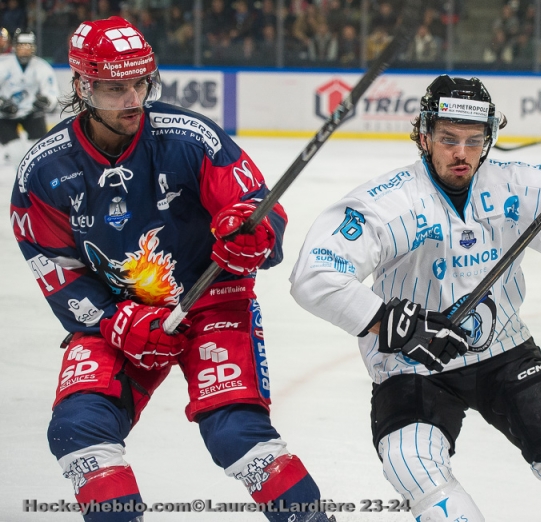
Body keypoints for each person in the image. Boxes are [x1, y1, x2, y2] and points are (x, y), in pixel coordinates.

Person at [289, 74, 541, 521]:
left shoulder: (515, 184)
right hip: (414, 363)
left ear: (489, 139)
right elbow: (315, 274)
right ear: (424, 136)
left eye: (474, 140)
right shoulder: (389, 202)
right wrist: (398, 325)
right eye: (448, 139)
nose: (462, 153)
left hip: (505, 351)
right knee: (413, 467)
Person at [10, 17, 333, 522]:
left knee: (236, 433)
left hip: (211, 300)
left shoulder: (190, 138)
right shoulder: (45, 170)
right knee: (78, 429)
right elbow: (54, 266)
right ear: (82, 87)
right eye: (115, 88)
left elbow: (259, 209)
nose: (132, 99)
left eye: (141, 83)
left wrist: (253, 233)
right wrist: (110, 319)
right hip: (120, 311)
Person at [0, 29, 59, 166]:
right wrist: (2, 104)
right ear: (15, 46)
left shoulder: (41, 67)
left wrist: (46, 101)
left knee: (42, 150)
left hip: (31, 112)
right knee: (16, 153)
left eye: (28, 46)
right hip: (6, 115)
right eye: (22, 46)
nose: (25, 50)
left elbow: (52, 92)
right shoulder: (3, 65)